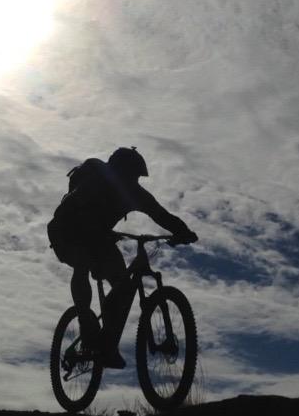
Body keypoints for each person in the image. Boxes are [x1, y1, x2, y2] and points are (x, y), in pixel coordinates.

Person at [47, 146, 198, 368]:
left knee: (123, 285)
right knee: (83, 262)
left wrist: (183, 231)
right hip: (65, 231)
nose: (133, 181)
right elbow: (70, 209)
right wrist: (95, 230)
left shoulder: (136, 193)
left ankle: (107, 344)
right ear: (117, 171)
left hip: (99, 237)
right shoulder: (94, 183)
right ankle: (85, 320)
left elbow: (161, 214)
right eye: (131, 175)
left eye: (136, 177)